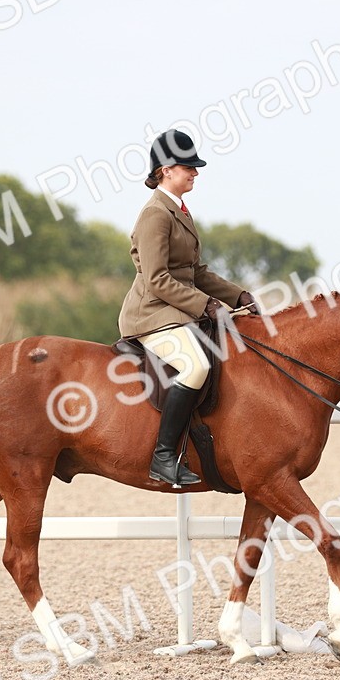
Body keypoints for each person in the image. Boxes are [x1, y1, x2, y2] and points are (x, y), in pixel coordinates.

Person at [118, 129, 260, 486]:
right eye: (188, 167)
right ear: (166, 169)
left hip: (177, 310)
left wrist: (238, 296)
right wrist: (206, 304)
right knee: (195, 367)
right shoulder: (155, 214)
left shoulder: (179, 210)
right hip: (151, 313)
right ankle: (163, 457)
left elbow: (195, 272)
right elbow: (156, 279)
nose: (195, 173)